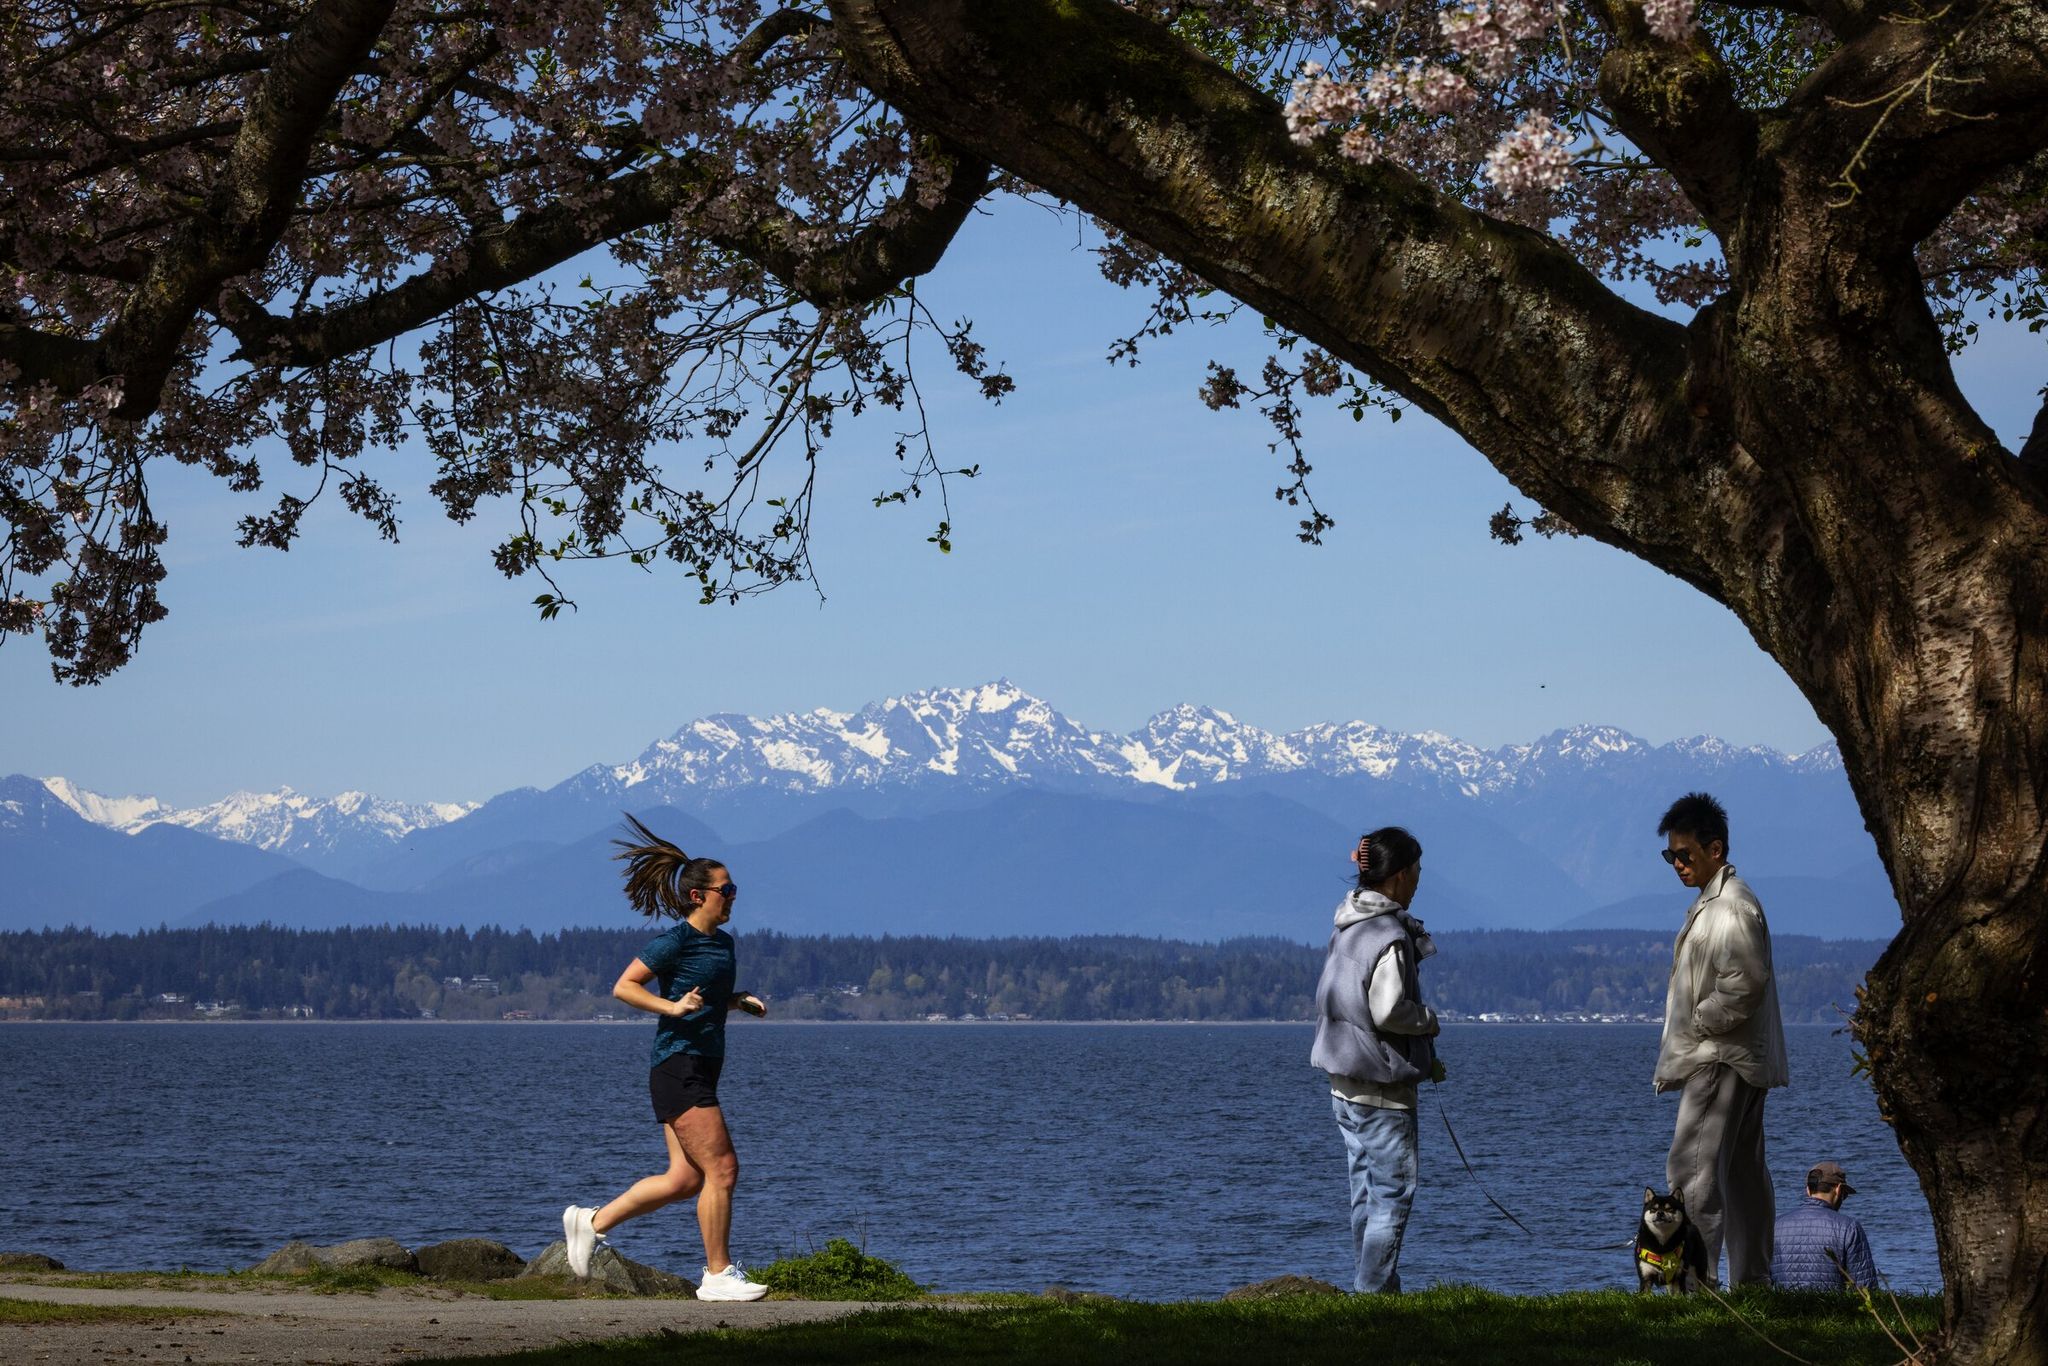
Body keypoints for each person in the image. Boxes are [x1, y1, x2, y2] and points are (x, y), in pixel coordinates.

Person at [559, 815, 770, 1302]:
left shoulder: (722, 943)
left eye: (734, 887)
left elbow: (703, 995)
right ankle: (717, 1276)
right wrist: (671, 1007)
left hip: (700, 1064)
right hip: (679, 1065)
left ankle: (592, 1222)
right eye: (726, 888)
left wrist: (735, 1001)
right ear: (699, 895)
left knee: (684, 1179)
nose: (733, 895)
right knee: (722, 1170)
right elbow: (624, 986)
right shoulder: (676, 940)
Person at [1653, 791, 1789, 1288]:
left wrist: (1698, 1021)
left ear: (1717, 849)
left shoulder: (1729, 909)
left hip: (1719, 1058)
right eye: (1670, 855)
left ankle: (1693, 1283)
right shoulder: (1721, 902)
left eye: (1684, 854)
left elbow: (1744, 983)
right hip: (1739, 1058)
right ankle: (1752, 1281)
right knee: (1742, 1176)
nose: (1677, 864)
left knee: (1692, 1170)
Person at [1310, 826, 1443, 1294]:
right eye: (1419, 870)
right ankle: (1373, 1297)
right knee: (1392, 1194)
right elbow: (1388, 1010)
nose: (1420, 879)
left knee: (1364, 1192)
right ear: (1401, 874)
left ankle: (1377, 1289)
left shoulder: (1346, 924)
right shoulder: (1389, 934)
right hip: (1382, 1088)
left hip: (1342, 1082)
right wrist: (1426, 1020)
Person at [1772, 1161, 1881, 1291]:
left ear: (1808, 1190)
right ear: (1839, 1189)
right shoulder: (1849, 1228)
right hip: (1833, 1311)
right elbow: (1865, 1288)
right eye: (1845, 1195)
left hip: (1784, 1310)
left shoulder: (1776, 1225)